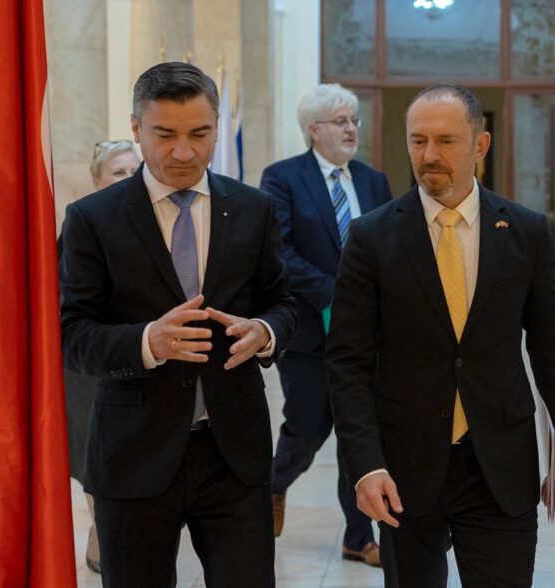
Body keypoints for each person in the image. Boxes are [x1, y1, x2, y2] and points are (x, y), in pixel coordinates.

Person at [326, 84, 555, 588]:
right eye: (418, 140)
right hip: (404, 468)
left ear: (480, 145)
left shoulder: (526, 232)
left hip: (500, 465)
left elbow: (552, 348)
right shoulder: (371, 237)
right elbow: (347, 362)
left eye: (445, 141)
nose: (429, 155)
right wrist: (365, 464)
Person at [60, 62, 296, 588]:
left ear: (217, 126)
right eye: (165, 135)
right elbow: (71, 335)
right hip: (133, 454)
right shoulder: (93, 219)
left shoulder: (254, 209)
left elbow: (284, 302)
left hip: (233, 454)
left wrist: (265, 333)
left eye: (200, 134)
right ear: (136, 128)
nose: (184, 152)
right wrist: (147, 341)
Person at [261, 84, 392, 567]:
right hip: (310, 333)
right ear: (314, 130)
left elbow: (390, 245)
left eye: (354, 120)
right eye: (341, 122)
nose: (352, 129)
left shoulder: (373, 181)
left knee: (359, 432)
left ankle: (359, 537)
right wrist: (340, 292)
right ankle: (273, 484)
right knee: (308, 428)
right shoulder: (283, 178)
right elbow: (280, 251)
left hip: (365, 336)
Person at [65, 139, 141, 574]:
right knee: (94, 455)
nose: (129, 179)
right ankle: (101, 530)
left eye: (134, 171)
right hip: (88, 366)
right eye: (118, 173)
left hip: (140, 358)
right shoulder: (81, 222)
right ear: (97, 181)